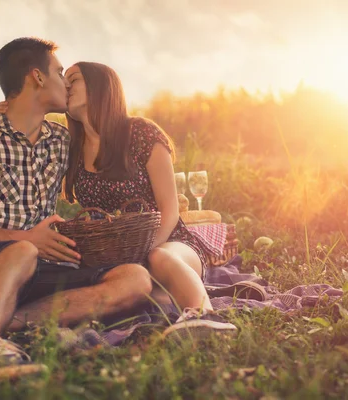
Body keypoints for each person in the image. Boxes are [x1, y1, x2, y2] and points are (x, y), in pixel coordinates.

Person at [0, 38, 152, 382]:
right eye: (60, 72)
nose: (65, 81)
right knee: (21, 249)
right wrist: (27, 238)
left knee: (135, 279)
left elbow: (106, 176)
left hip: (40, 267)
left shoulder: (62, 141)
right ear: (37, 77)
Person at [61, 62, 237, 338]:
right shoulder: (69, 146)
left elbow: (169, 209)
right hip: (114, 257)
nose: (65, 86)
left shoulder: (140, 133)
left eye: (73, 79)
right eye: (63, 81)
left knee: (158, 258)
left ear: (100, 86)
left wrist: (142, 252)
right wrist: (6, 114)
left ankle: (205, 316)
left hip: (170, 241)